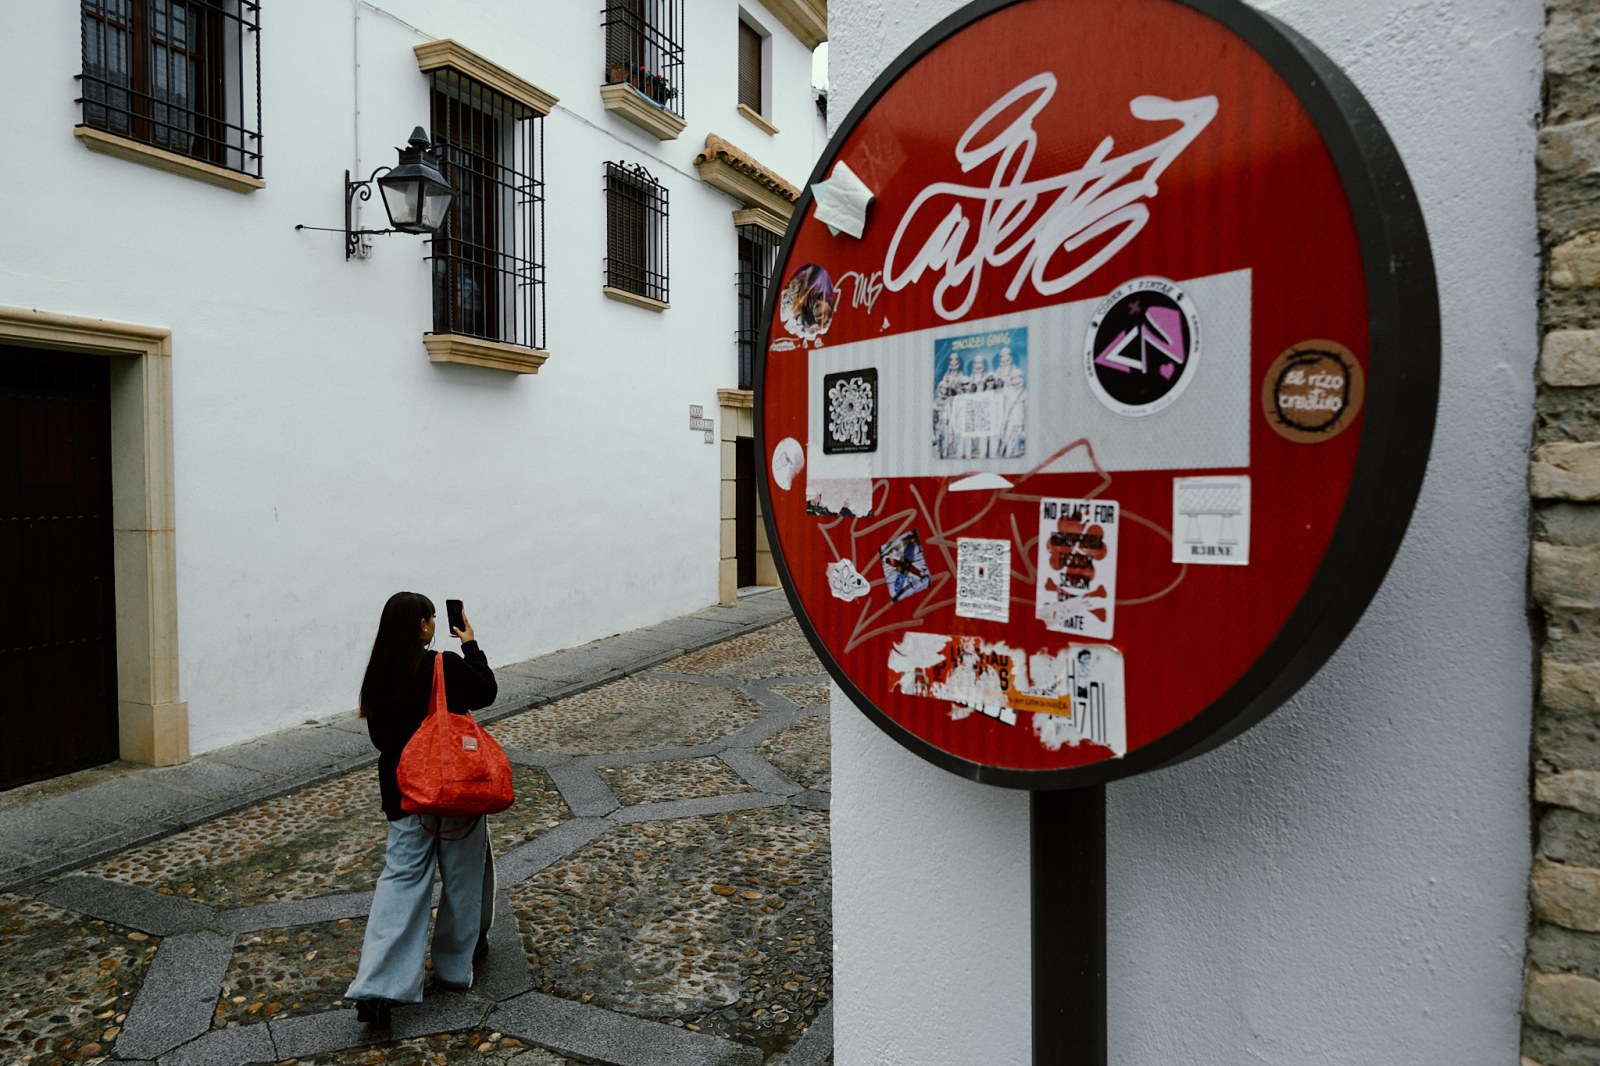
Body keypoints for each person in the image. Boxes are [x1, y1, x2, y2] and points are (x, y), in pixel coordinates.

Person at [345, 591, 498, 1024]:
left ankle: (378, 986)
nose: (433, 624)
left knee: (400, 880)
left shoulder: (378, 674)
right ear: (423, 626)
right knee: (463, 875)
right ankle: (453, 967)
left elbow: (381, 739)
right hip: (454, 788)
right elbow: (486, 690)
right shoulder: (442, 665)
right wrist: (470, 643)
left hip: (404, 792)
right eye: (430, 617)